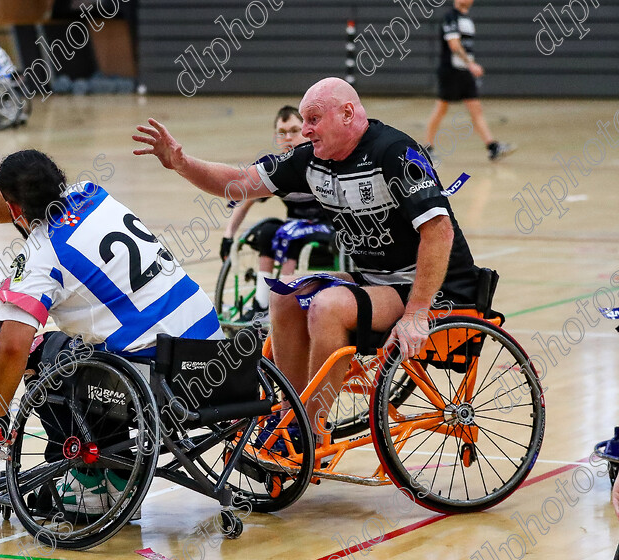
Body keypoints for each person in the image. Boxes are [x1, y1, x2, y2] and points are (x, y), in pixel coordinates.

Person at [133, 77, 481, 442]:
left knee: (327, 306)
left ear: (347, 114)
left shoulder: (395, 152)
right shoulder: (310, 159)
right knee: (285, 294)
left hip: (434, 287)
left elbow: (440, 230)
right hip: (375, 279)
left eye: (313, 119)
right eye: (304, 121)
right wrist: (182, 162)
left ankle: (308, 428)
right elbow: (239, 181)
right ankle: (288, 413)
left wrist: (416, 312)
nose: (306, 130)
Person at [0, 149, 223, 513]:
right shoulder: (90, 193)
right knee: (92, 347)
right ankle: (114, 476)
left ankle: (91, 483)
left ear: (14, 209)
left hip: (156, 380)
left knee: (41, 353)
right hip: (211, 359)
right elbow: (20, 203)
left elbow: (12, 347)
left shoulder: (41, 254)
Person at [220, 105, 334, 320]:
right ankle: (262, 305)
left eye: (294, 131)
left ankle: (283, 305)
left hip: (327, 231)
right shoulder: (278, 169)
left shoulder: (323, 162)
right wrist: (228, 236)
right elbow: (245, 202)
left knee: (290, 237)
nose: (288, 138)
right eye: (282, 133)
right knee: (268, 230)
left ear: (307, 130)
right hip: (293, 227)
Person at [424, 0, 513, 162]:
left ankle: (492, 147)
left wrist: (469, 66)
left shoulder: (467, 19)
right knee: (441, 109)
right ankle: (426, 149)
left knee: (476, 109)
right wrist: (471, 64)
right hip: (451, 71)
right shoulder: (450, 17)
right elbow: (454, 45)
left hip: (465, 72)